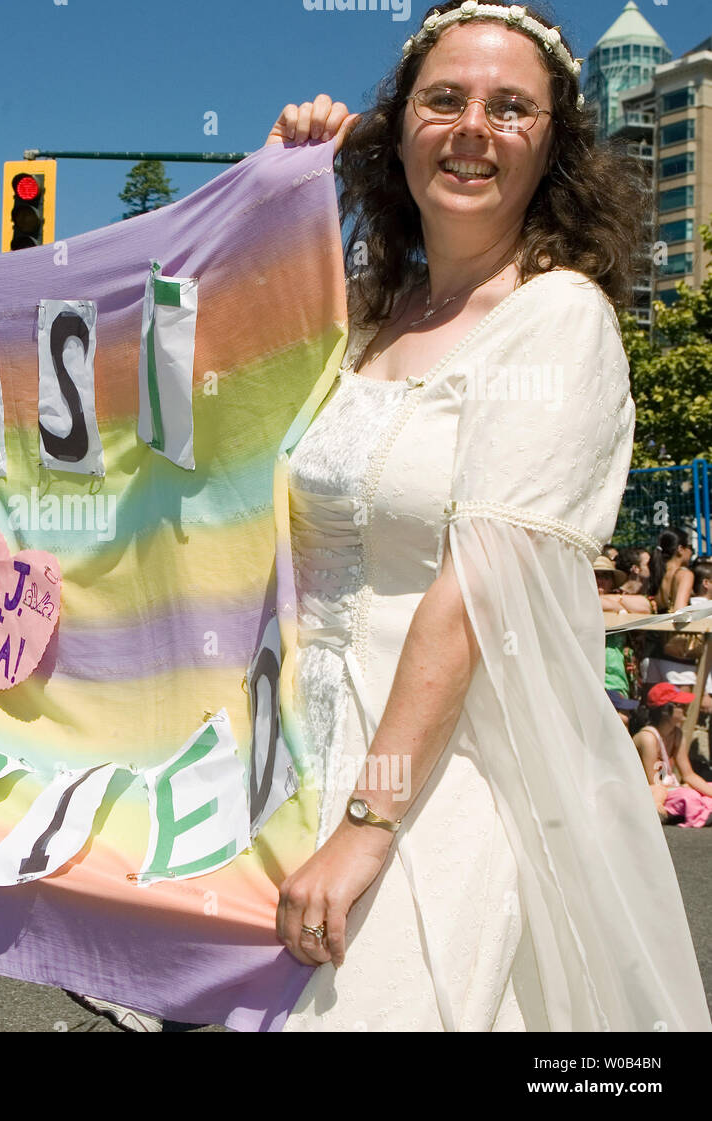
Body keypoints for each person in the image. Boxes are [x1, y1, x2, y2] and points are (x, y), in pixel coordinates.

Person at [268, 1, 708, 1030]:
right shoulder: (367, 313)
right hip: (287, 769)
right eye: (444, 100)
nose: (472, 126)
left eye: (511, 108)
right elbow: (206, 415)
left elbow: (473, 594)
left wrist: (369, 822)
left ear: (553, 148)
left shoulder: (556, 320)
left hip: (434, 785)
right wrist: (280, 185)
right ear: (400, 127)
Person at [634, 683, 712, 827]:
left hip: (666, 787)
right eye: (681, 706)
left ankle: (692, 811)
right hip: (653, 790)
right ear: (666, 710)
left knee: (706, 788)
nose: (686, 708)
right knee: (689, 796)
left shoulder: (677, 734)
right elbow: (655, 782)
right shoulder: (648, 738)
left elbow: (688, 774)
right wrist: (682, 789)